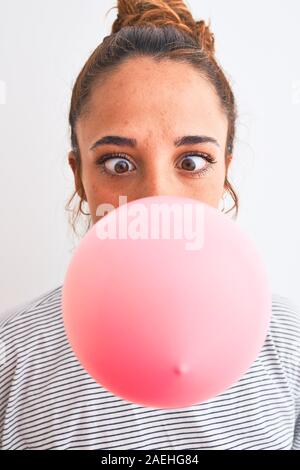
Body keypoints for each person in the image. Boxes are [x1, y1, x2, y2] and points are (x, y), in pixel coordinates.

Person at [1, 0, 299, 450]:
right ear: (79, 177)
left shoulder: (290, 347)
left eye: (193, 160)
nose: (158, 200)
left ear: (225, 173)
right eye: (118, 163)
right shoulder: (11, 354)